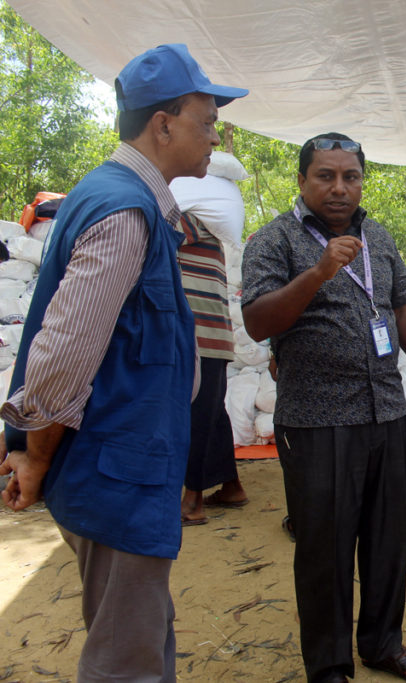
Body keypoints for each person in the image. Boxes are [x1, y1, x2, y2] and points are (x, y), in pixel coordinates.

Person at [0, 44, 246, 681]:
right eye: (206, 120)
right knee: (126, 662)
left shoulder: (128, 201)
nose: (215, 136)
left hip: (124, 472)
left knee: (143, 635)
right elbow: (61, 356)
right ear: (163, 124)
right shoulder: (124, 212)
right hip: (117, 476)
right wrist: (35, 452)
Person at [241, 133, 406, 683]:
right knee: (325, 550)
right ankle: (329, 665)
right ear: (303, 181)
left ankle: (382, 644)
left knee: (387, 539)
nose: (338, 188)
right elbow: (258, 321)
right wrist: (319, 272)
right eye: (325, 176)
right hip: (317, 418)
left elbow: (399, 306)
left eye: (349, 176)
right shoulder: (275, 240)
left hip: (384, 410)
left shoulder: (376, 233)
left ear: (361, 181)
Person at [173, 157, 249, 525]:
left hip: (196, 335)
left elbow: (148, 234)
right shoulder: (212, 221)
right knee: (211, 413)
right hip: (210, 335)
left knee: (195, 416)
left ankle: (193, 500)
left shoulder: (189, 218)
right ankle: (231, 486)